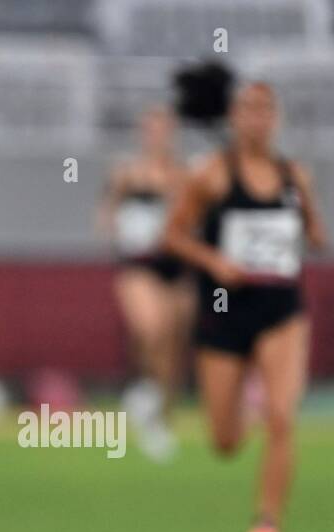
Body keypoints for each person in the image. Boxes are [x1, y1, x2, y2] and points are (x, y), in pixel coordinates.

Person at [164, 81, 326, 532]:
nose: (257, 119)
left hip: (280, 309)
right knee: (225, 441)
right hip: (224, 312)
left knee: (283, 417)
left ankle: (266, 527)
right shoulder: (212, 175)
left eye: (265, 109)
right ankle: (247, 404)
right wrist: (214, 262)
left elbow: (317, 236)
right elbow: (173, 235)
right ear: (235, 118)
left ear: (275, 118)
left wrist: (305, 220)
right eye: (248, 109)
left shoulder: (293, 175)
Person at [100, 105, 192, 460]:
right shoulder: (128, 173)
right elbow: (106, 215)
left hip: (176, 267)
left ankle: (161, 418)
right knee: (150, 329)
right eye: (150, 128)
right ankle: (143, 390)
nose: (156, 135)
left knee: (172, 345)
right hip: (138, 264)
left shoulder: (184, 175)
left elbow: (196, 219)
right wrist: (123, 227)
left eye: (163, 129)